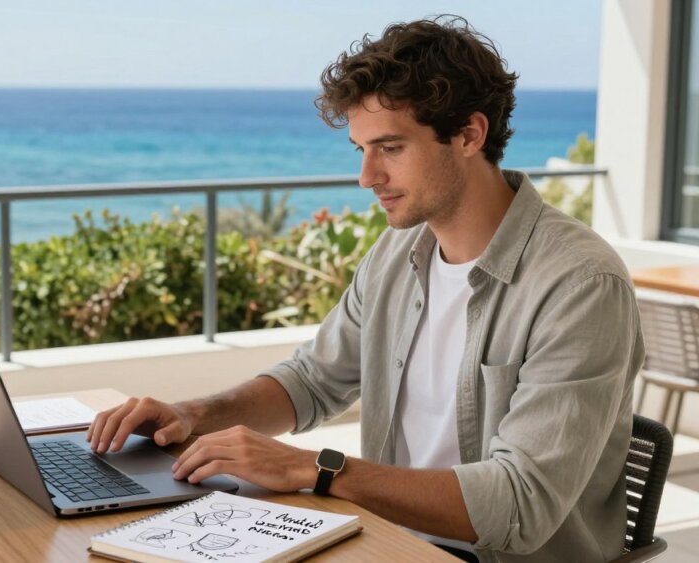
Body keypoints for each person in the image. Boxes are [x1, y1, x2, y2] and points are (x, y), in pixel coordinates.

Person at [86, 16, 642, 563]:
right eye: (361, 150)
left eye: (391, 148)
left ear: (470, 134)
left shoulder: (580, 285)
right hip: (388, 541)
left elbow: (520, 506)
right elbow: (312, 381)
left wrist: (317, 467)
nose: (367, 176)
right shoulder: (399, 254)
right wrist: (192, 414)